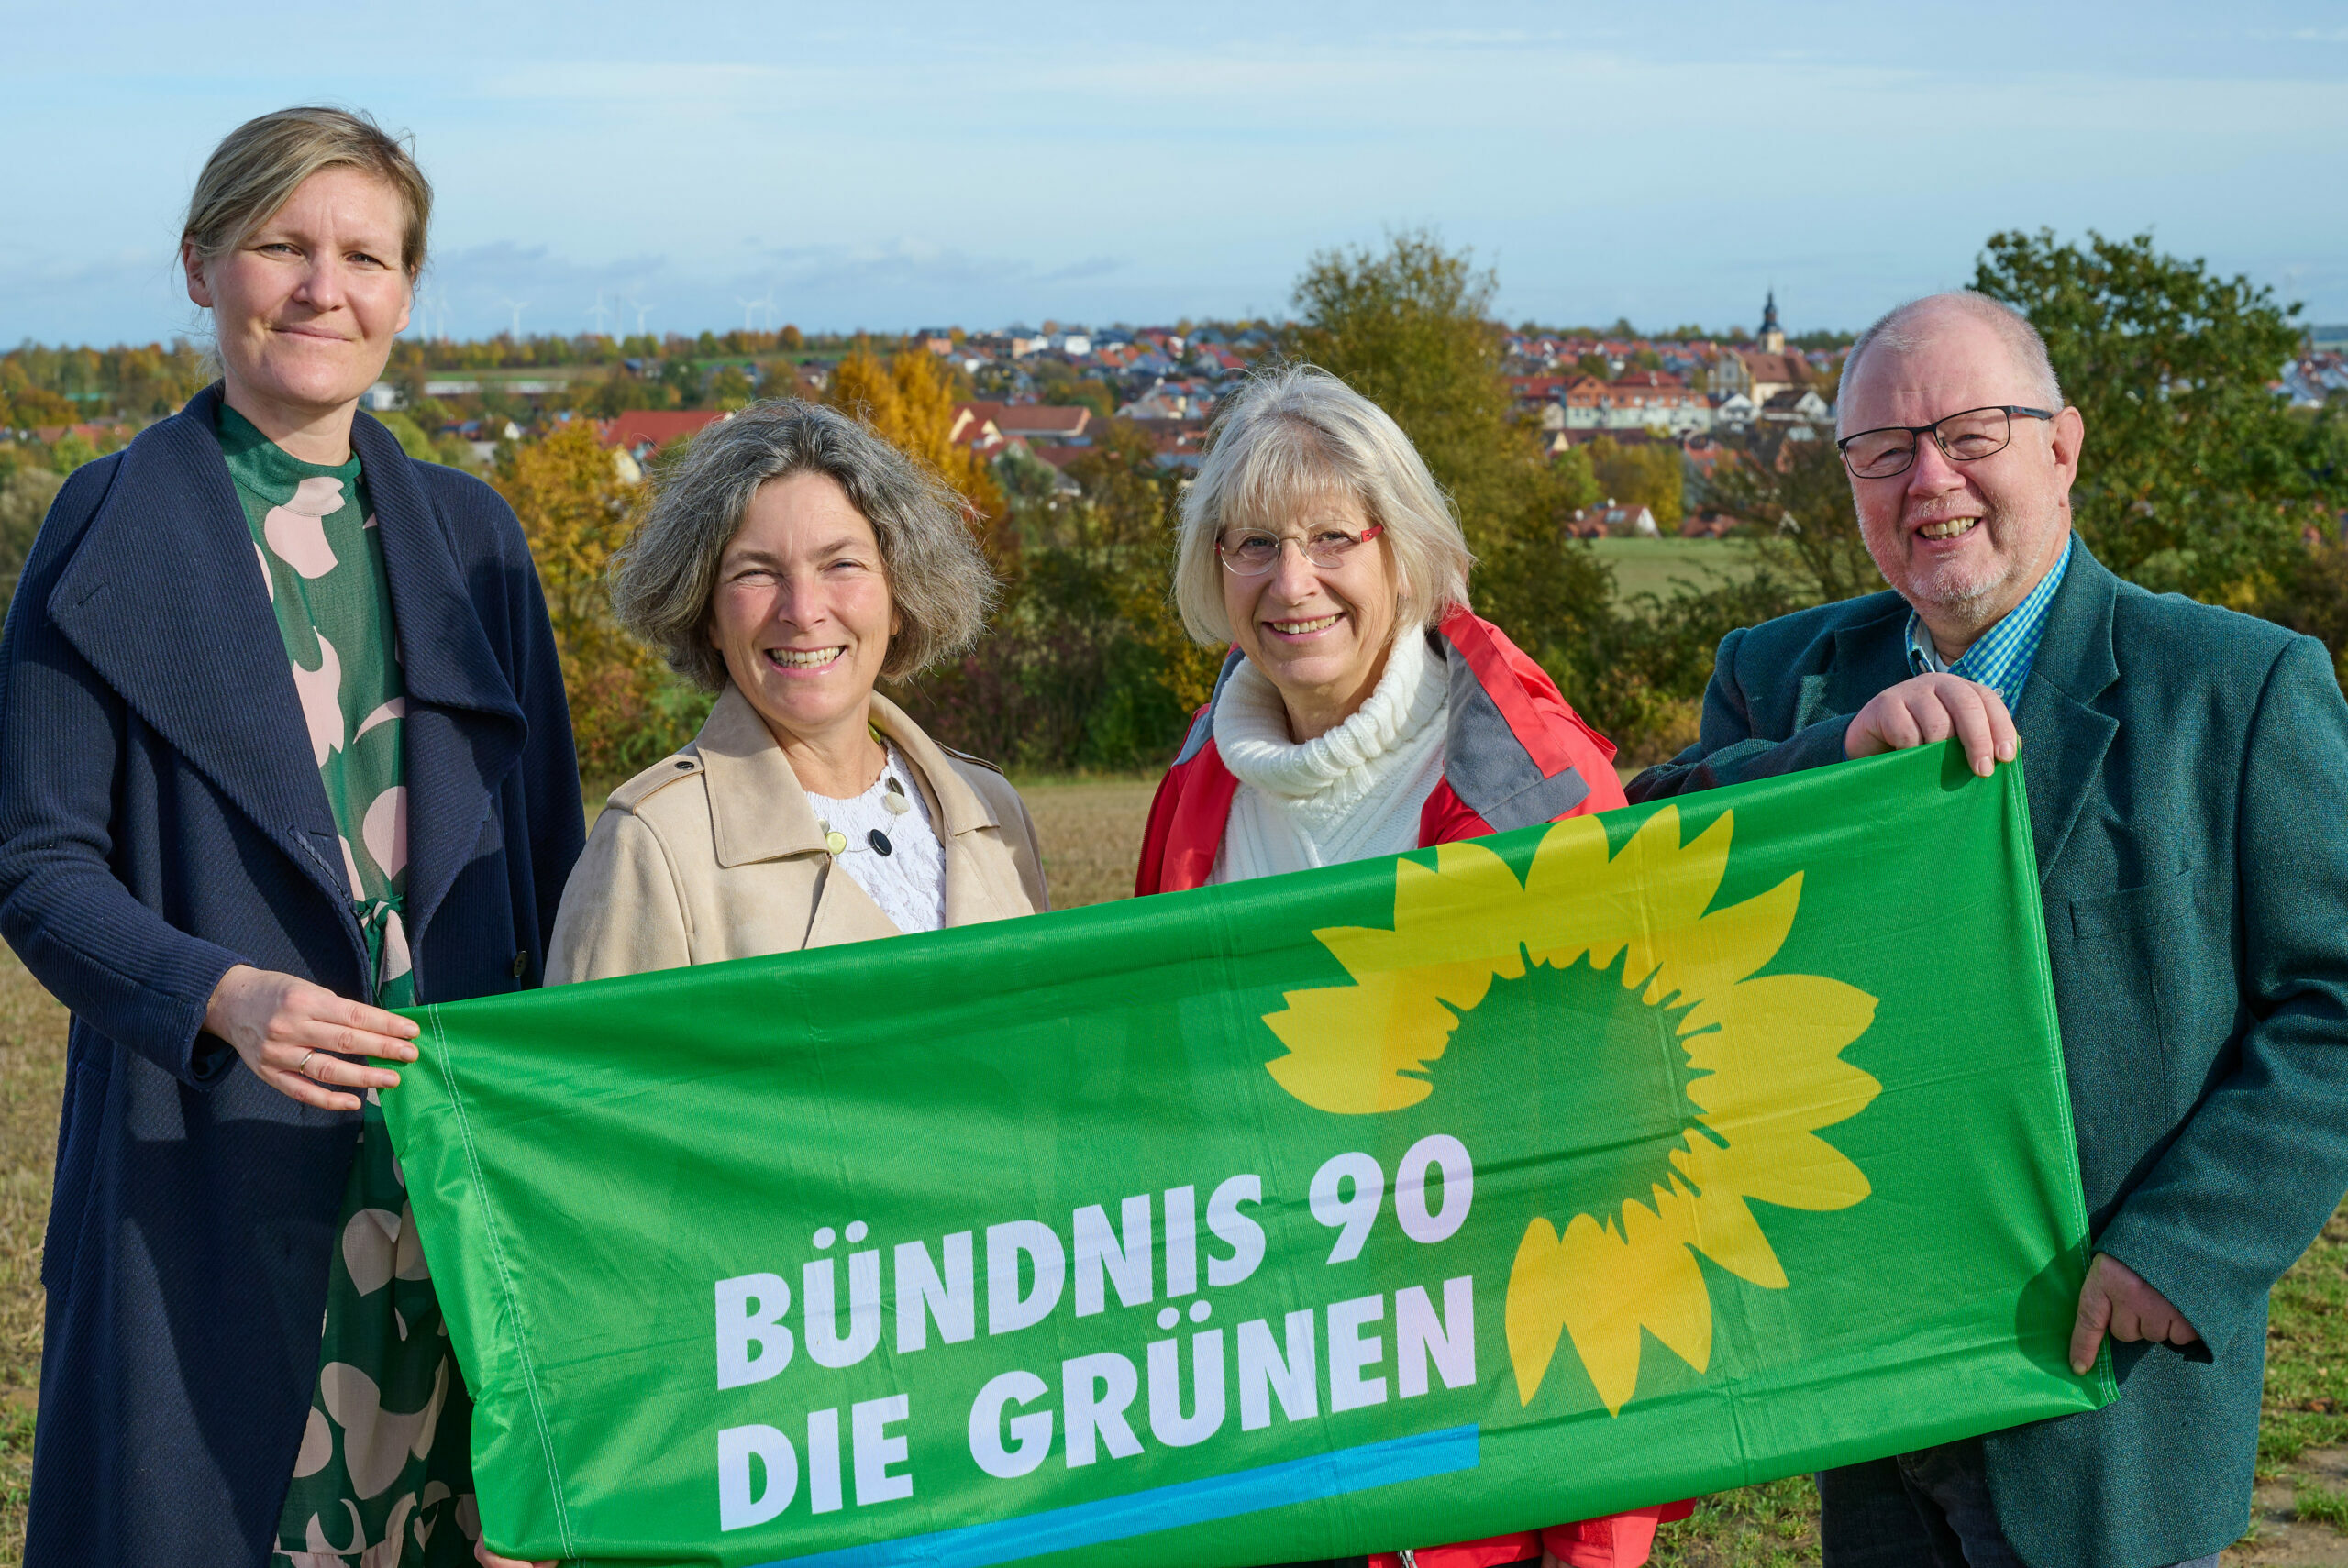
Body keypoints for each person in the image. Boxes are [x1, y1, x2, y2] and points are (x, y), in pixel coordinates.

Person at [1627, 292, 2348, 1567]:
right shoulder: (1780, 678)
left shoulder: (2236, 689)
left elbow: (2333, 1002)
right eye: (1883, 451)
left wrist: (2181, 1249)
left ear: (2060, 448)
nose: (1929, 480)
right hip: (1866, 1381)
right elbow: (1637, 862)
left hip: (2102, 1382)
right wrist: (1829, 758)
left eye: (1971, 435)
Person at [0, 108, 586, 1568]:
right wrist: (219, 994)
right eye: (282, 246)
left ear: (407, 292)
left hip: (459, 1182)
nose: (325, 289)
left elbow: (552, 864)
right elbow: (37, 865)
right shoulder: (108, 524)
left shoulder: (476, 539)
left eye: (366, 257)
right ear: (202, 268)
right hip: (209, 1165)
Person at [1135, 365, 1692, 1568]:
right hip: (1263, 1435)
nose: (1292, 582)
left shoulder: (1534, 789)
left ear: (1404, 551)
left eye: (1334, 537)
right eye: (1253, 544)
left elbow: (1614, 1176)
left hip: (1477, 1453)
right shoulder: (1197, 785)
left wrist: (1597, 1538)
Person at [547, 400, 1046, 985]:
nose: (803, 612)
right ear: (707, 614)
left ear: (900, 599)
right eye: (756, 572)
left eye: (841, 564)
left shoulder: (992, 808)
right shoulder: (649, 843)